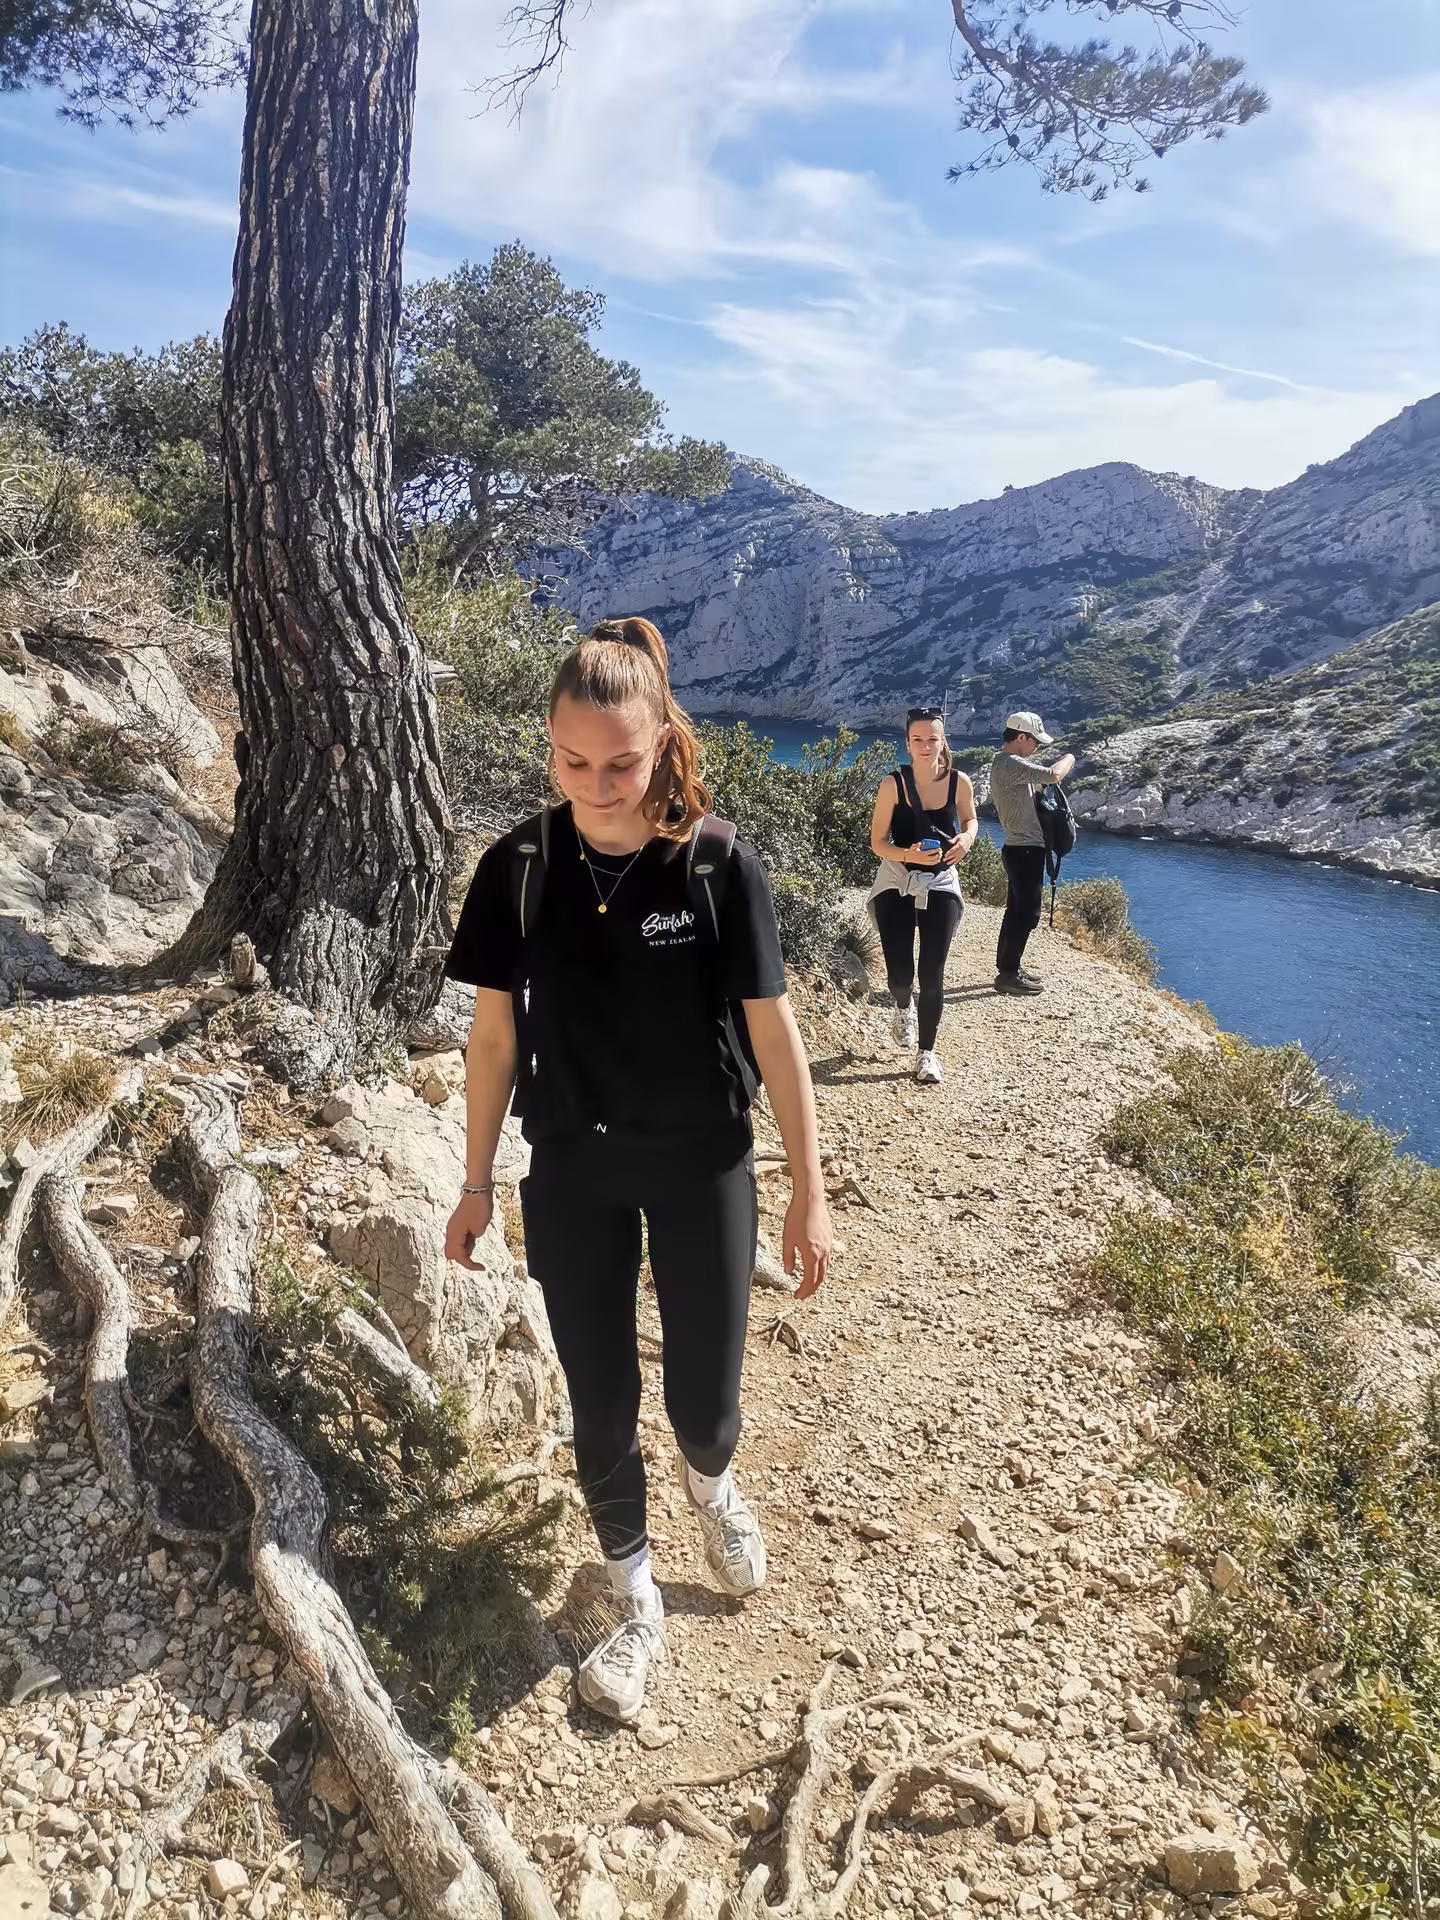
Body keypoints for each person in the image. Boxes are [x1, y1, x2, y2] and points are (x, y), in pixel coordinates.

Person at [441, 617, 833, 1724]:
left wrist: (809, 1186)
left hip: (705, 1162)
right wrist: (474, 1183)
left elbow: (775, 1034)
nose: (598, 784)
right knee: (600, 1406)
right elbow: (491, 1042)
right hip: (572, 1169)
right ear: (548, 750)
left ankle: (713, 1484)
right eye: (573, 763)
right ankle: (635, 1593)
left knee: (704, 1408)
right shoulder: (516, 867)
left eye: (621, 761)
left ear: (665, 742)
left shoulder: (716, 862)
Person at [867, 706, 978, 1086]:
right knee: (900, 973)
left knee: (932, 971)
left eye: (933, 739)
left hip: (941, 880)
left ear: (943, 740)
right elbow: (877, 842)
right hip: (897, 876)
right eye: (918, 739)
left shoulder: (959, 782)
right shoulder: (891, 785)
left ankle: (927, 1053)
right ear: (907, 743)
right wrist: (908, 855)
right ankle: (902, 1005)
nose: (926, 746)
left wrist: (966, 839)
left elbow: (970, 818)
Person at [988, 710, 1075, 995]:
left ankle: (1009, 968)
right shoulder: (1010, 763)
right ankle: (1008, 975)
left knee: (1017, 911)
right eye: (1034, 740)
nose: (1036, 746)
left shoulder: (1008, 764)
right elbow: (1054, 775)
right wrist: (1070, 758)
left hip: (1020, 848)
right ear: (1021, 737)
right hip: (1024, 850)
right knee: (1025, 914)